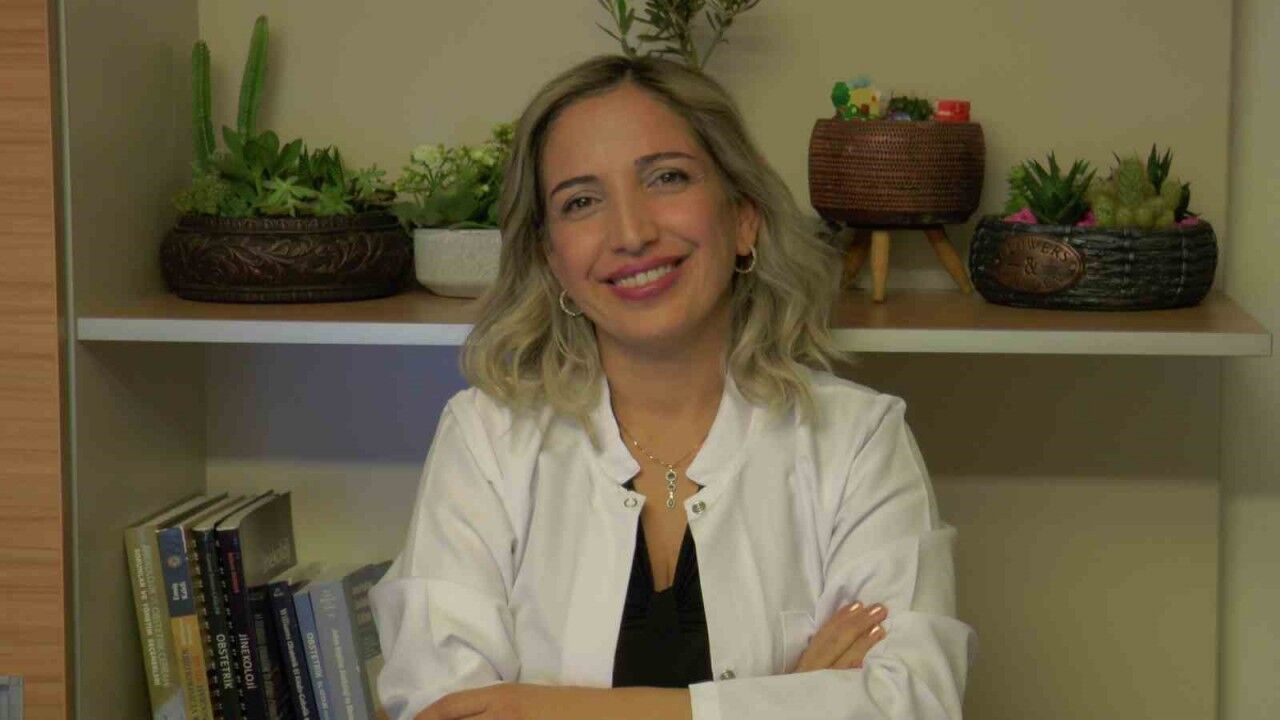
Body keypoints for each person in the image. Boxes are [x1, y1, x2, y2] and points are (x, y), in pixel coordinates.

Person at [369, 54, 975, 720]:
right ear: (551, 258)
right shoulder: (486, 438)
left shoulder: (856, 439)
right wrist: (790, 698)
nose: (632, 233)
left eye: (666, 177)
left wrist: (541, 707)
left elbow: (911, 704)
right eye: (581, 201)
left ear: (743, 216)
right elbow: (445, 710)